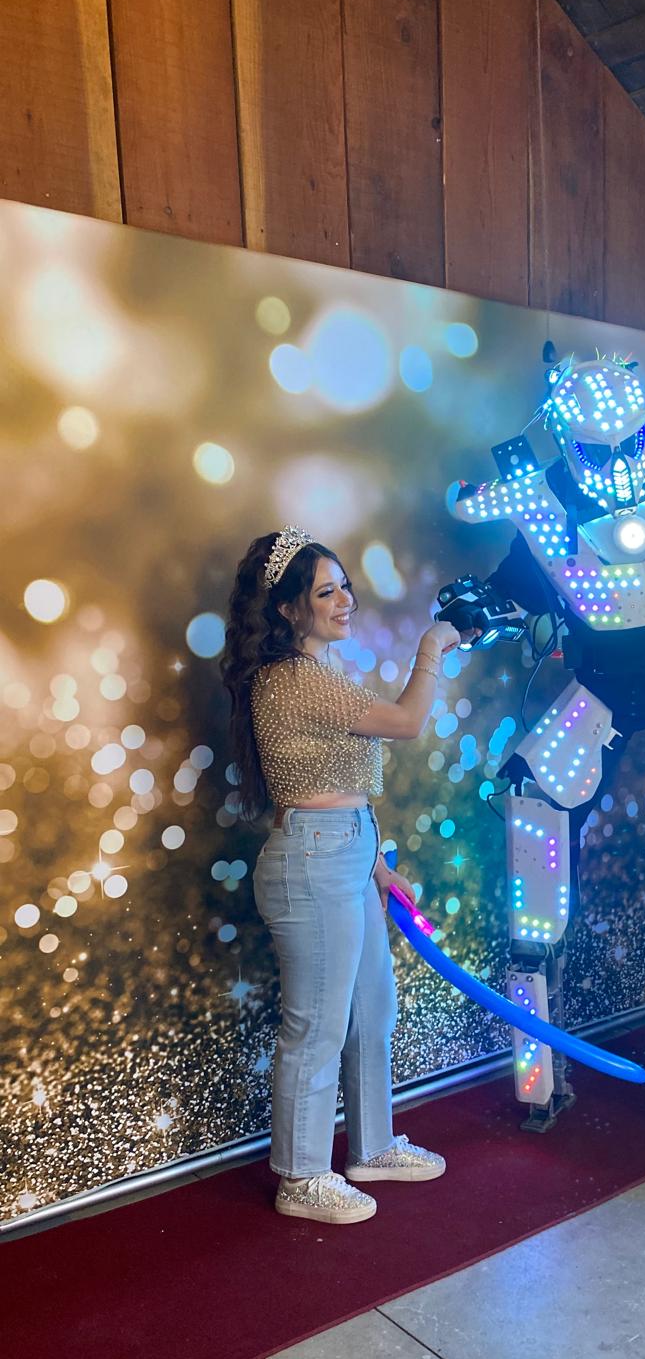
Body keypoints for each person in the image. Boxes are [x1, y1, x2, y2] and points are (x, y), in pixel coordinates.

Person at [221, 525, 462, 1225]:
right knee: (317, 1027)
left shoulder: (319, 676)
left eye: (344, 587)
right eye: (325, 592)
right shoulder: (293, 679)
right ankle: (301, 1178)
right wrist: (431, 647)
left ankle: (372, 1148)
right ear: (288, 609)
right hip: (312, 863)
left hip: (346, 854)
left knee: (372, 1011)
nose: (345, 601)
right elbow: (408, 722)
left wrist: (376, 866)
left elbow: (338, 788)